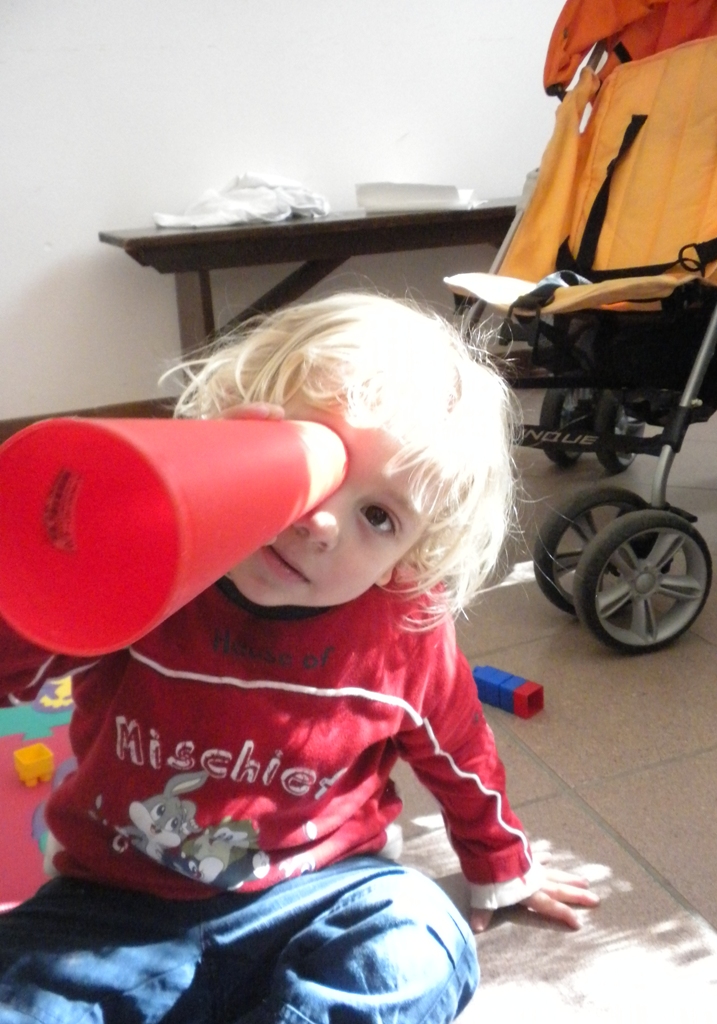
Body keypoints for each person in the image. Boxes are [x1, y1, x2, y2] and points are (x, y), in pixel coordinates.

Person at [0, 293, 598, 1024]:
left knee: (419, 941)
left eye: (378, 517)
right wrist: (80, 569)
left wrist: (500, 861)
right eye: (310, 466)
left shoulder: (399, 632)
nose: (319, 523)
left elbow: (460, 753)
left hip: (313, 895)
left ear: (405, 562)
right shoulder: (147, 570)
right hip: (112, 906)